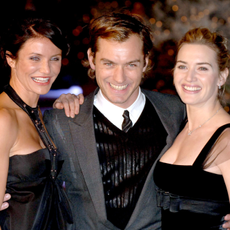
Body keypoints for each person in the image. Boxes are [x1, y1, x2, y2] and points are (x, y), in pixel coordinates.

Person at [43, 12, 186, 229]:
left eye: (131, 64)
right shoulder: (60, 121)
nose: (119, 78)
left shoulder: (178, 112)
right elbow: (38, 191)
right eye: (109, 64)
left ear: (146, 60)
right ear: (92, 59)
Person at [0, 13, 74, 229]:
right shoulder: (4, 118)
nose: (46, 70)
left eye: (55, 59)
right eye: (35, 58)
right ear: (10, 58)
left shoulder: (37, 113)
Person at [154, 28, 230, 229]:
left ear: (222, 76)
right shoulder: (179, 124)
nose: (190, 77)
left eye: (202, 68)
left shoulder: (227, 139)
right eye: (182, 66)